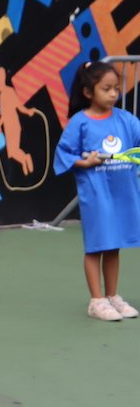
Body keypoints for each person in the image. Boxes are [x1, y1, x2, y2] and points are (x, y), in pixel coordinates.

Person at [54, 61, 140, 322]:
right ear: (89, 92)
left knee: (113, 246)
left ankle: (112, 296)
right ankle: (97, 300)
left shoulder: (127, 120)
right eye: (106, 89)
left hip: (123, 195)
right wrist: (86, 162)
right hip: (96, 195)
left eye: (116, 88)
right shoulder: (80, 123)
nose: (114, 94)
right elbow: (64, 154)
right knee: (96, 247)